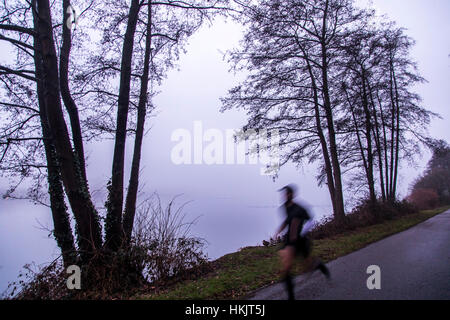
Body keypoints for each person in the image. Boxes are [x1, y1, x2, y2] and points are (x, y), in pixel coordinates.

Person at [274, 184, 330, 300]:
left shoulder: (300, 208)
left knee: (307, 267)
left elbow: (311, 220)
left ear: (292, 195)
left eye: (287, 193)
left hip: (300, 240)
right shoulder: (284, 207)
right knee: (286, 268)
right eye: (284, 194)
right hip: (289, 240)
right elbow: (287, 220)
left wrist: (302, 232)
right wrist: (278, 230)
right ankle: (291, 296)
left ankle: (319, 265)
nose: (284, 196)